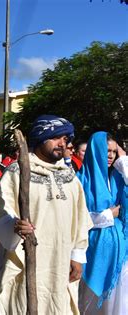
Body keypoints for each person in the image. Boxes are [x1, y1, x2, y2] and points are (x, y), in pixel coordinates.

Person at [0, 115, 93, 314]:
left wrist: (78, 256)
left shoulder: (70, 176)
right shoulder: (17, 171)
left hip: (60, 261)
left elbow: (80, 219)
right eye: (56, 137)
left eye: (65, 139)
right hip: (25, 261)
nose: (62, 143)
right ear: (40, 137)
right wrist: (15, 225)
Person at [77, 132, 127, 314]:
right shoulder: (79, 180)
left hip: (119, 258)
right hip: (92, 253)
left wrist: (124, 162)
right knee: (91, 304)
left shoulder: (117, 178)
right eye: (106, 150)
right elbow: (76, 218)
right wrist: (108, 215)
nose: (111, 155)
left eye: (114, 151)